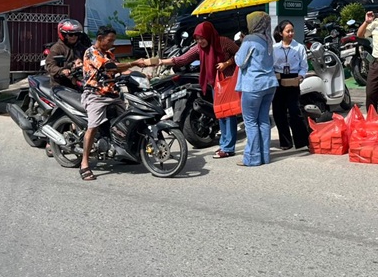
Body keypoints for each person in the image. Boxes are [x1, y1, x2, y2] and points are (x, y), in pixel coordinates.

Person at [158, 22, 240, 159]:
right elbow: (182, 59)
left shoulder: (224, 42)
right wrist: (161, 61)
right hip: (215, 85)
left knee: (228, 114)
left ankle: (228, 148)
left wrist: (227, 63)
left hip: (228, 82)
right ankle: (225, 144)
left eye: (202, 38)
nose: (200, 41)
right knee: (220, 114)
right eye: (197, 39)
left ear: (209, 34)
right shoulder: (198, 48)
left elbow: (239, 55)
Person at [79, 26, 148, 181]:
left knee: (125, 122)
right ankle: (84, 163)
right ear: (99, 38)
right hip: (95, 95)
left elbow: (119, 70)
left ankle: (122, 151)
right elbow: (109, 67)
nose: (111, 43)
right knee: (93, 126)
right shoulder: (91, 52)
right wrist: (133, 63)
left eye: (113, 41)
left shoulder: (109, 53)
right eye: (109, 40)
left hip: (113, 94)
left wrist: (139, 74)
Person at [234, 11, 278, 166]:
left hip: (253, 85)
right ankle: (265, 156)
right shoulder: (268, 39)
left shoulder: (250, 39)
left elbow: (240, 61)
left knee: (251, 122)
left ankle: (252, 158)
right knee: (263, 120)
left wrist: (242, 43)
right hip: (270, 84)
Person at [272, 20, 309, 150]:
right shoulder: (275, 48)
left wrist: (300, 76)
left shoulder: (299, 47)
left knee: (295, 110)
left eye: (292, 31)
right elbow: (271, 66)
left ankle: (302, 141)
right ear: (281, 33)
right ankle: (285, 142)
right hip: (278, 80)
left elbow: (304, 66)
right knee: (278, 111)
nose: (291, 33)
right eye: (287, 31)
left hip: (293, 80)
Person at [357, 3, 378, 113]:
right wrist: (366, 22)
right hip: (376, 63)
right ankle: (372, 119)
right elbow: (360, 35)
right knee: (371, 94)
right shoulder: (375, 23)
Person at [45, 19, 87, 89]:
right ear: (64, 35)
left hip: (77, 82)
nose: (74, 37)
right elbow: (50, 65)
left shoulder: (80, 47)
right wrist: (62, 71)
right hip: (60, 85)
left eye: (76, 34)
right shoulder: (57, 48)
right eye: (71, 34)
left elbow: (90, 56)